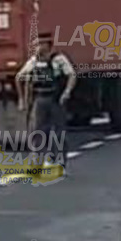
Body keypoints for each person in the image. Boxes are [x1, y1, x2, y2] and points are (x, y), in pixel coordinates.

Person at [15, 33, 76, 171]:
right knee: (38, 131)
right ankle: (38, 161)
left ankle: (59, 161)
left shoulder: (58, 60)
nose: (39, 47)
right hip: (40, 99)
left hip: (56, 99)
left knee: (58, 132)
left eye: (42, 44)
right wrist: (22, 99)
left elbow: (72, 75)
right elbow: (19, 77)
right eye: (37, 44)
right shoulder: (34, 61)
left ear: (48, 46)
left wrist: (66, 92)